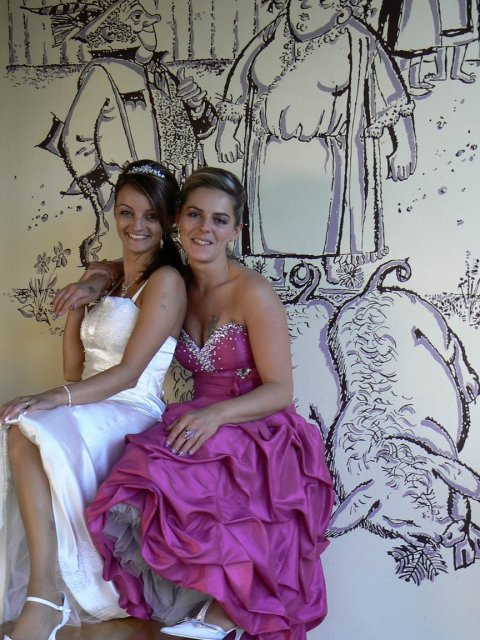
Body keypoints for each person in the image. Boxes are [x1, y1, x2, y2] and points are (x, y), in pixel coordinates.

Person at [85, 167, 334, 640]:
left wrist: (217, 414)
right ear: (177, 220)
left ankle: (227, 613)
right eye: (195, 215)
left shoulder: (252, 292)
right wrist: (97, 279)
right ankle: (199, 605)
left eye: (220, 220)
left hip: (257, 422)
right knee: (142, 477)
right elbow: (124, 268)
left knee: (218, 478)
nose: (205, 229)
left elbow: (281, 389)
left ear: (236, 230)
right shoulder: (174, 283)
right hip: (199, 416)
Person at [0, 160, 186, 640]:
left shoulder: (166, 281)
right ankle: (45, 593)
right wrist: (79, 301)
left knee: (31, 423)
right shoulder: (111, 277)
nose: (137, 225)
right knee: (20, 431)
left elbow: (128, 374)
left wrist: (51, 398)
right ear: (114, 212)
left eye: (150, 215)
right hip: (89, 398)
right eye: (126, 212)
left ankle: (50, 597)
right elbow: (73, 369)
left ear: (168, 221)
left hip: (132, 407)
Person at [216, 0, 417, 284]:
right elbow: (240, 79)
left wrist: (404, 145)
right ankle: (273, 275)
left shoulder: (360, 40)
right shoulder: (272, 35)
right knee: (273, 227)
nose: (304, 8)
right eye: (299, 2)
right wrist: (227, 130)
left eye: (320, 3)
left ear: (341, 12)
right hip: (270, 156)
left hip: (331, 158)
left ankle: (331, 273)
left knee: (327, 228)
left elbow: (393, 96)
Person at [36, 0, 217, 263]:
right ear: (111, 31)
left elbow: (201, 131)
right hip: (133, 200)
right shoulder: (103, 73)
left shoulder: (163, 74)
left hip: (173, 198)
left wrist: (197, 105)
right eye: (137, 17)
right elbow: (76, 138)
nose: (151, 20)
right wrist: (106, 189)